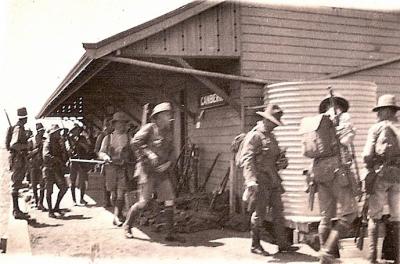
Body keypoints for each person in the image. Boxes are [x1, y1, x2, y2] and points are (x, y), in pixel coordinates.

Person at [123, 102, 185, 242]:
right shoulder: (149, 128)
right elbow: (135, 142)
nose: (170, 118)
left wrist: (169, 163)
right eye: (167, 115)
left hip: (162, 172)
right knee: (143, 202)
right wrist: (149, 153)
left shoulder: (168, 132)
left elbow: (172, 152)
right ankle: (128, 225)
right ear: (158, 117)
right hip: (147, 171)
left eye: (170, 115)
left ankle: (170, 233)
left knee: (169, 200)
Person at [239, 104, 294, 256]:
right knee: (259, 213)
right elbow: (247, 159)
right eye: (272, 123)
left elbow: (275, 160)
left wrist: (283, 162)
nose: (274, 126)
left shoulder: (272, 137)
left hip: (273, 179)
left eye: (276, 124)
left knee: (278, 211)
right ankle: (255, 245)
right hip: (260, 180)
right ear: (265, 120)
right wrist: (250, 180)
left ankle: (282, 244)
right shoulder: (255, 136)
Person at [313, 94, 358, 264]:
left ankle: (325, 258)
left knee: (326, 216)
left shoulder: (317, 123)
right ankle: (326, 252)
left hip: (318, 172)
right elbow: (347, 140)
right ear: (340, 106)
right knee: (350, 212)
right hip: (337, 171)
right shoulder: (343, 118)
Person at [362, 94, 400, 264]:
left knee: (374, 217)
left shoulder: (376, 129)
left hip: (380, 174)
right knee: (397, 217)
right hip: (398, 176)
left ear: (382, 111)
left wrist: (370, 169)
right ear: (394, 111)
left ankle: (372, 258)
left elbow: (367, 154)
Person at [98, 112, 134, 226]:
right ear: (114, 124)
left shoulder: (129, 137)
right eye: (119, 123)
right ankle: (118, 214)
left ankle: (116, 217)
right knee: (113, 193)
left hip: (123, 168)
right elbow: (101, 152)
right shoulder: (108, 138)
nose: (122, 126)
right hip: (111, 168)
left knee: (121, 192)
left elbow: (134, 150)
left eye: (123, 123)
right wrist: (106, 157)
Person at [42, 124, 69, 218]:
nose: (59, 133)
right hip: (49, 169)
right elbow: (45, 156)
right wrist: (56, 159)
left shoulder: (59, 142)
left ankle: (56, 206)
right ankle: (50, 211)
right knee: (49, 191)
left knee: (64, 188)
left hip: (57, 170)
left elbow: (64, 155)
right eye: (57, 132)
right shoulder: (47, 143)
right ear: (53, 134)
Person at [9, 107, 30, 219]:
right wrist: (26, 146)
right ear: (25, 118)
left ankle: (16, 210)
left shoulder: (19, 127)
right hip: (17, 160)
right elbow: (14, 144)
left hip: (19, 159)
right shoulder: (18, 128)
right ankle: (16, 211)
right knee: (16, 185)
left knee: (17, 184)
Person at [67, 123, 91, 206]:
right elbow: (68, 151)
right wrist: (71, 144)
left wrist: (79, 143)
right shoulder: (69, 139)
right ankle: (74, 200)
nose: (75, 131)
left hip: (82, 161)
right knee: (73, 181)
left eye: (76, 130)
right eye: (74, 130)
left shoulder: (83, 138)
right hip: (74, 161)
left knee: (82, 181)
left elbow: (87, 148)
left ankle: (81, 198)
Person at [94, 117, 113, 207]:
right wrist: (103, 157)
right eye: (109, 125)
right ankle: (106, 200)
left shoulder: (114, 135)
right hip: (105, 162)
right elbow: (97, 150)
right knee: (106, 182)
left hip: (116, 162)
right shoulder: (101, 136)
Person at [27, 122, 46, 210]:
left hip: (42, 165)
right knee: (34, 185)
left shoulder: (45, 140)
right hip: (33, 165)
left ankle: (40, 203)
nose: (42, 133)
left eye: (43, 131)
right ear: (37, 131)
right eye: (41, 131)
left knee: (42, 184)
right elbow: (27, 155)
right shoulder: (31, 141)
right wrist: (35, 151)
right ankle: (36, 201)